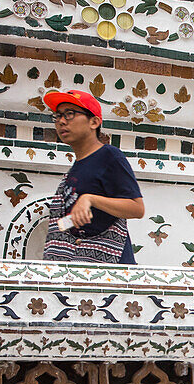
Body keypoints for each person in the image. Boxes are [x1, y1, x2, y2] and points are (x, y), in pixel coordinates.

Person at [41, 90, 145, 264]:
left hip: (111, 273)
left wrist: (90, 200)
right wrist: (64, 223)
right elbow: (81, 222)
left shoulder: (110, 157)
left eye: (70, 114)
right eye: (57, 116)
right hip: (81, 266)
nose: (61, 121)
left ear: (94, 122)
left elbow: (137, 208)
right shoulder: (76, 169)